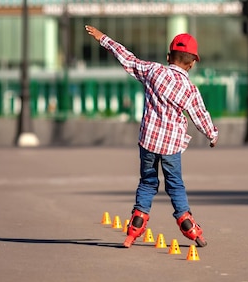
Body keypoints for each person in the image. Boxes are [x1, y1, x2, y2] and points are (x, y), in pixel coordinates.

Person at [85, 25, 218, 248]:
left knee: (147, 183)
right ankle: (189, 226)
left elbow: (127, 58)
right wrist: (212, 135)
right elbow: (199, 115)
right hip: (171, 147)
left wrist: (103, 39)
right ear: (193, 62)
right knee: (175, 185)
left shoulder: (153, 71)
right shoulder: (189, 89)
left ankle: (134, 229)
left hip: (148, 142)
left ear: (168, 57)